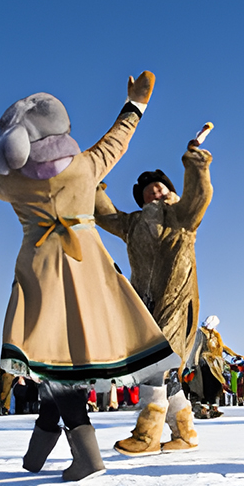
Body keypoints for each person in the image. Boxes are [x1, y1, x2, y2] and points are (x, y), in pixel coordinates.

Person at [0, 72, 175, 479]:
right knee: (59, 363)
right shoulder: (86, 165)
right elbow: (118, 140)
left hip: (40, 269)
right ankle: (38, 454)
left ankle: (86, 456)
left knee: (52, 360)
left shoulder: (12, 180)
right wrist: (134, 104)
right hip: (87, 267)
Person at [94, 136, 215, 453]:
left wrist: (195, 163)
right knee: (164, 370)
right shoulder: (132, 223)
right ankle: (186, 433)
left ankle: (147, 434)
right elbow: (105, 215)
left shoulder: (181, 216)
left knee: (155, 365)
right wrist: (90, 185)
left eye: (160, 186)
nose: (155, 190)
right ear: (141, 199)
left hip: (175, 300)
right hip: (143, 302)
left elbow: (199, 196)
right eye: (149, 190)